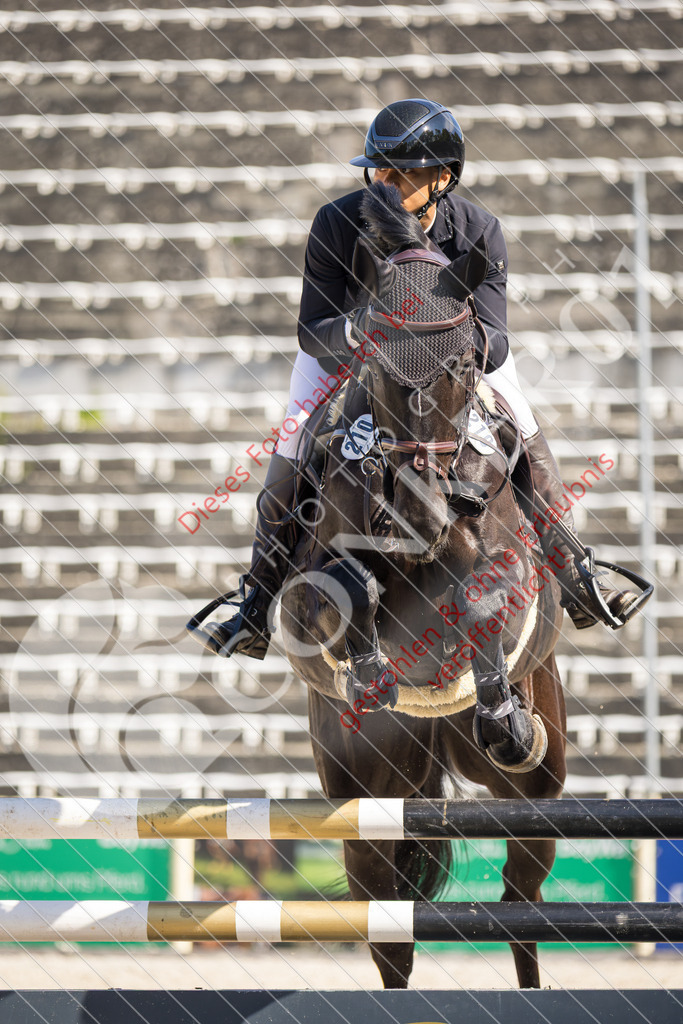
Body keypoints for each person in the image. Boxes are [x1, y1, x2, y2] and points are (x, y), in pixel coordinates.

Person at [195, 98, 641, 660]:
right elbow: (312, 331)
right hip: (353, 357)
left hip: (455, 364)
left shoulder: (478, 231)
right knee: (292, 441)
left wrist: (442, 340)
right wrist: (361, 331)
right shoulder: (336, 222)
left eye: (400, 172)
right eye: (378, 168)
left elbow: (497, 339)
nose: (383, 180)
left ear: (443, 178)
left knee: (523, 428)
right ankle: (256, 601)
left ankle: (577, 575)